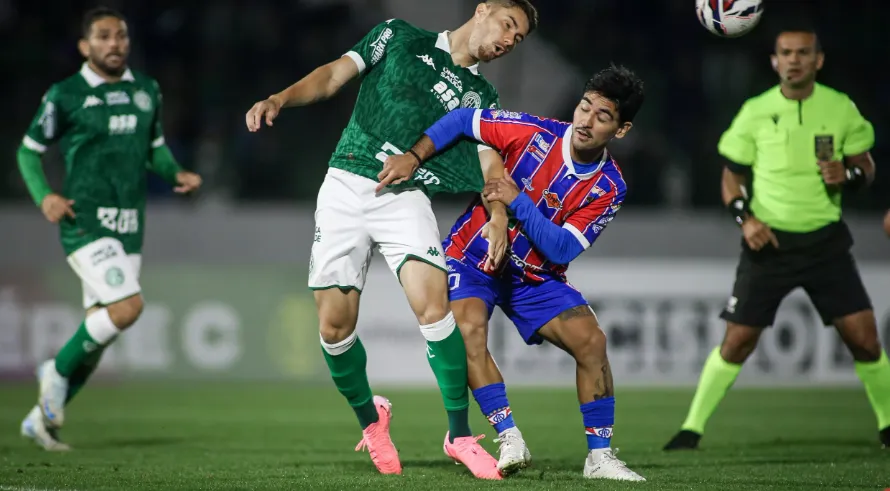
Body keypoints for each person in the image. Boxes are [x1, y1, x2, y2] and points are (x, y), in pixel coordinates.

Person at [245, 1, 538, 479]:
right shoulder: (399, 36)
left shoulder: (481, 95)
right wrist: (281, 97)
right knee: (334, 329)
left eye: (518, 38)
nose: (509, 40)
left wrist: (500, 213)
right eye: (508, 25)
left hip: (404, 194)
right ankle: (372, 422)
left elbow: (490, 164)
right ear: (483, 10)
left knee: (435, 307)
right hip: (346, 182)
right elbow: (334, 75)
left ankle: (459, 435)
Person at [376, 65, 647, 481]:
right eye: (584, 107)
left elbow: (560, 247)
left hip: (536, 279)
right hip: (473, 259)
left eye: (602, 116)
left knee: (592, 342)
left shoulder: (610, 186)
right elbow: (462, 120)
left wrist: (516, 200)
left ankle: (600, 457)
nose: (586, 121)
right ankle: (509, 436)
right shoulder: (535, 133)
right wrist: (414, 157)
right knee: (467, 332)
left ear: (621, 129)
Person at [663, 26, 890, 451]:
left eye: (803, 52)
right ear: (774, 61)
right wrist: (744, 219)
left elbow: (867, 166)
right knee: (737, 341)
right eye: (786, 52)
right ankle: (691, 429)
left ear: (818, 60)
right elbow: (732, 176)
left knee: (864, 338)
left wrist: (853, 174)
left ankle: (888, 424)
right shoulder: (755, 111)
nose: (794, 60)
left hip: (825, 242)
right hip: (768, 243)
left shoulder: (841, 109)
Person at [16, 7, 202, 451]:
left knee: (97, 336)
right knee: (127, 308)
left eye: (120, 36)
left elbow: (153, 149)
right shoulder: (66, 94)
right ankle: (54, 373)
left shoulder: (145, 90)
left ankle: (39, 422)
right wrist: (46, 196)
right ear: (85, 46)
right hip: (85, 223)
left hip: (130, 224)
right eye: (103, 36)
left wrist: (176, 172)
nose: (115, 44)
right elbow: (28, 152)